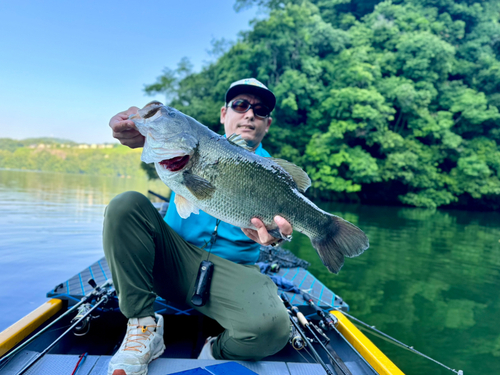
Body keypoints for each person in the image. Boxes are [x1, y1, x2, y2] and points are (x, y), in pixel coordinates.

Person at [105, 78, 292, 375]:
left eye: (260, 110)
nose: (249, 114)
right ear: (223, 113)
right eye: (241, 105)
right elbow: (154, 129)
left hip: (232, 274)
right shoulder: (187, 143)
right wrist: (139, 127)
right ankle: (142, 325)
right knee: (125, 204)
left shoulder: (277, 175)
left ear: (267, 123)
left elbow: (281, 230)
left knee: (273, 329)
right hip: (173, 261)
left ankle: (215, 349)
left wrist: (275, 239)